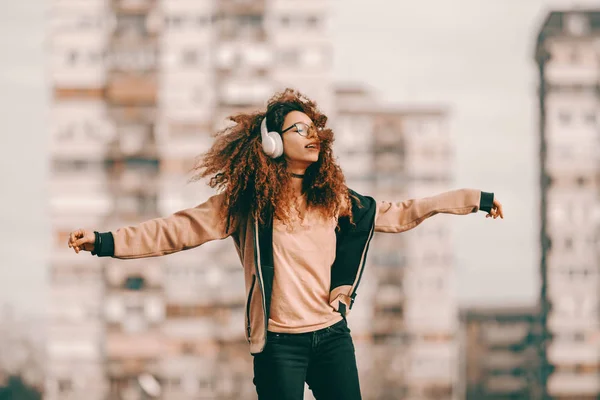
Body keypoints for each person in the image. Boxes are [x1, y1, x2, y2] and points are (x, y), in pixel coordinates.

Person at [67, 88, 504, 400]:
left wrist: (472, 200)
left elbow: (403, 212)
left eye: (314, 129)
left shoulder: (333, 199)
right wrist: (104, 241)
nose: (312, 135)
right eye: (299, 129)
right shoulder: (245, 205)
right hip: (279, 347)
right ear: (273, 144)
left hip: (331, 338)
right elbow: (176, 230)